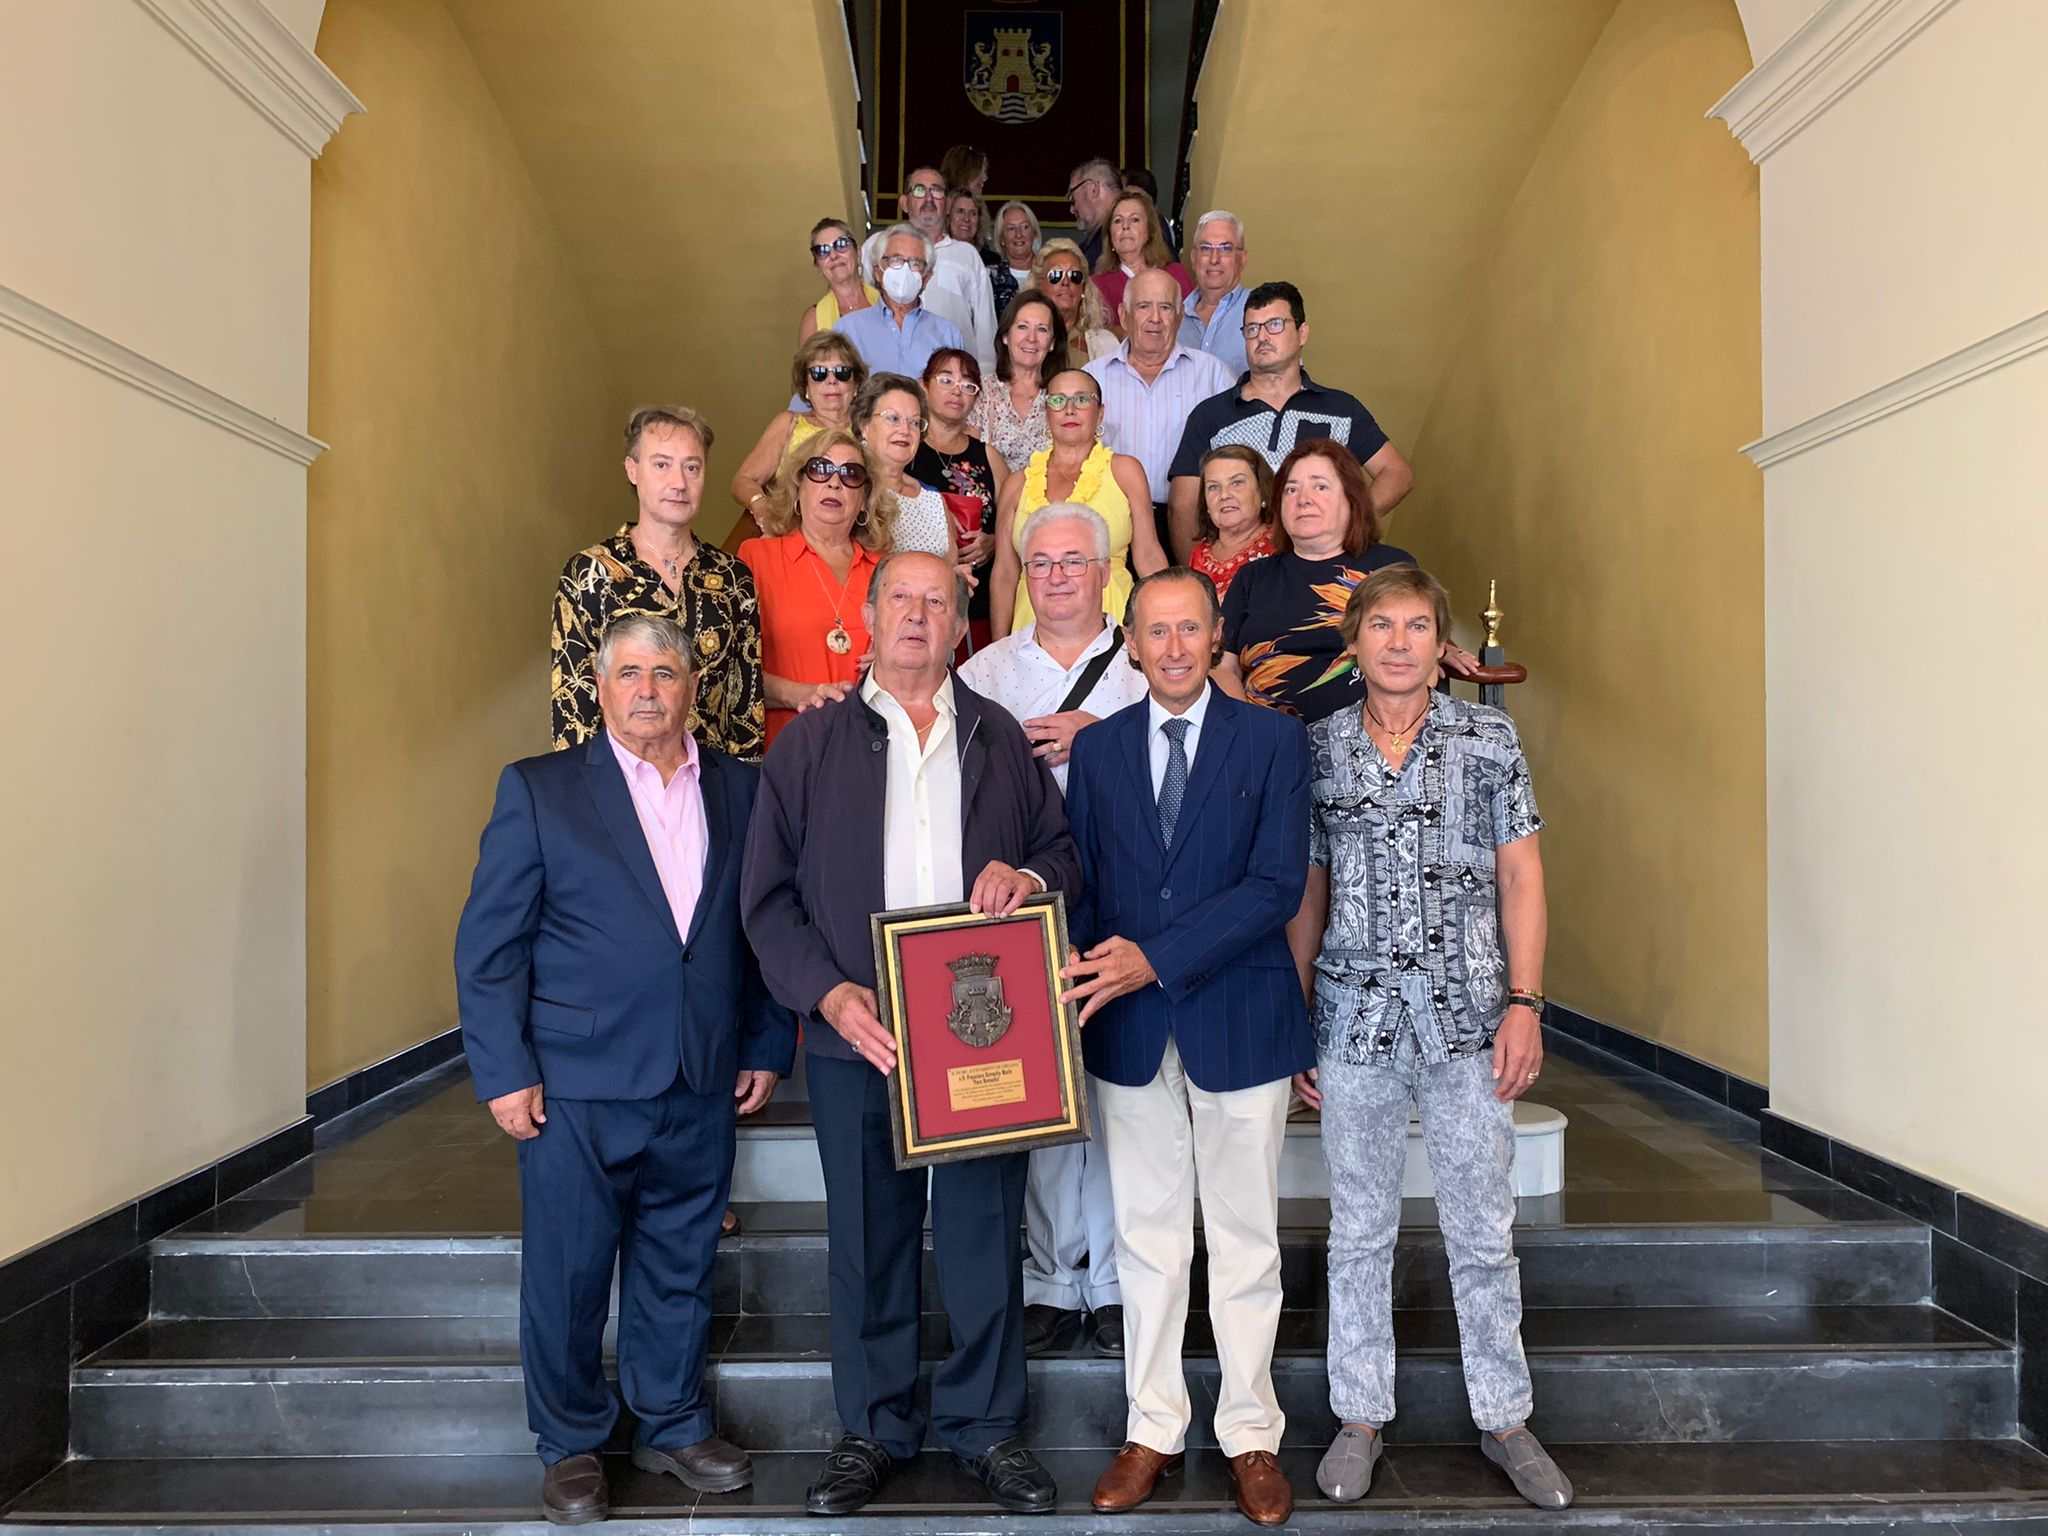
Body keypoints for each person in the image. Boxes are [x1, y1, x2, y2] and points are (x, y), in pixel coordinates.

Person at [741, 550, 1081, 1517]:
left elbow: (1060, 854)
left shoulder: (999, 738)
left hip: (981, 1035)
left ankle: (984, 1426)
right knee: (868, 1239)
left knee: (981, 1234)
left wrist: (1029, 879)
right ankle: (875, 1427)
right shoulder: (808, 749)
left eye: (939, 600)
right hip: (861, 1036)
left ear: (960, 620)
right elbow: (765, 903)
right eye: (902, 598)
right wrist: (828, 996)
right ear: (870, 612)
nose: (919, 616)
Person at [457, 613, 796, 1525]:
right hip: (575, 1082)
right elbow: (490, 946)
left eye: (666, 672)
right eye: (630, 673)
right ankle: (569, 1442)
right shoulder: (541, 790)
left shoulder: (741, 789)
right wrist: (502, 1069)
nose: (649, 689)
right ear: (600, 688)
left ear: (692, 686)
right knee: (567, 1272)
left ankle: (673, 1420)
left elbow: (759, 930)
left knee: (679, 1261)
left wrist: (766, 1042)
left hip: (699, 1074)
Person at [1290, 566, 1571, 1512]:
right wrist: (1298, 1016)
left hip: (1470, 1023)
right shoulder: (1320, 748)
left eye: (1417, 626)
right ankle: (1360, 1416)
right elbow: (1308, 893)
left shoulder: (1487, 738)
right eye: (1382, 625)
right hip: (1354, 1018)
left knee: (1482, 1231)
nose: (1400, 643)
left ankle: (1504, 1416)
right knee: (1359, 1229)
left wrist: (1527, 1001)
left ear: (1439, 643)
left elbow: (1522, 875)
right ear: (1355, 642)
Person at [1061, 567, 1312, 1529]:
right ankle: (1153, 1427)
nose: (1171, 648)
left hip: (1239, 1019)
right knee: (1148, 1241)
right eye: (1153, 632)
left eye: (1188, 630)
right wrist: (1077, 971)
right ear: (1131, 643)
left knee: (1245, 1240)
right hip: (1128, 1033)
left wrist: (1150, 962)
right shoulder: (1101, 751)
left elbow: (1274, 888)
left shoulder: (1274, 741)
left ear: (1216, 639)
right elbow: (1085, 886)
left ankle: (1252, 1434)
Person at [958, 503, 1148, 1359]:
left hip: (1130, 904)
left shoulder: (1144, 666)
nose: (1059, 576)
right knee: (1035, 1097)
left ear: (1106, 570)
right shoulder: (989, 671)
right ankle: (1046, 1278)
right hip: (1025, 907)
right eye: (1042, 563)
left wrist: (1099, 736)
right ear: (1023, 573)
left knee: (1114, 1099)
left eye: (1075, 561)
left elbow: (1183, 755)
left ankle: (1109, 1283)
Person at [552, 406, 764, 761]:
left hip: (707, 790)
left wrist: (745, 800)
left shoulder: (733, 578)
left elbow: (747, 710)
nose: (679, 483)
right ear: (632, 470)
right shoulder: (590, 574)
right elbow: (573, 707)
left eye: (692, 467)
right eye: (662, 464)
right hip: (618, 789)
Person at [1165, 281, 1414, 560]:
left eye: (1275, 325)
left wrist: (1348, 521)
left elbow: (1397, 473)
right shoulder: (1210, 415)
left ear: (1302, 332)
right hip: (1237, 578)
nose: (1262, 337)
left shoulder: (1341, 408)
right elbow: (1183, 506)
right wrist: (1202, 581)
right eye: (1252, 329)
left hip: (1323, 568)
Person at [1215, 440, 1415, 724]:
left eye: (1319, 486)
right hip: (1265, 740)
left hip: (1365, 738)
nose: (1303, 499)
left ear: (1351, 497)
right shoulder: (1252, 577)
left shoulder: (1390, 568)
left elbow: (1417, 645)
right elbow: (1224, 668)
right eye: (1291, 489)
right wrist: (1249, 731)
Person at [738, 429, 892, 747]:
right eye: (820, 470)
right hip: (787, 747)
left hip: (870, 748)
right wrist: (800, 694)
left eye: (851, 474)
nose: (834, 482)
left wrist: (892, 657)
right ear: (798, 489)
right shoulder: (756, 558)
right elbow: (733, 673)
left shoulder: (886, 570)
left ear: (864, 500)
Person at [991, 369, 1161, 638]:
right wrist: (997, 647)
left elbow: (1148, 556)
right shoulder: (1017, 483)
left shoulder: (1125, 471)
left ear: (1100, 412)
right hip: (1031, 623)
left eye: (1082, 399)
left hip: (1110, 616)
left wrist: (1162, 627)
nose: (1069, 410)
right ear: (1046, 413)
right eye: (1058, 401)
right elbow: (1004, 573)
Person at [1086, 268, 1233, 556]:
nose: (1155, 318)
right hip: (1113, 528)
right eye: (1143, 306)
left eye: (1165, 307)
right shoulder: (1093, 378)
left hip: (1195, 525)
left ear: (1179, 316)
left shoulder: (1212, 374)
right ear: (1124, 314)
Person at [912, 349, 1008, 644]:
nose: (957, 391)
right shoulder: (906, 449)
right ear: (923, 385)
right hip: (917, 597)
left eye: (968, 385)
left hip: (977, 601)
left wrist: (992, 542)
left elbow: (1011, 525)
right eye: (946, 379)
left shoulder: (988, 456)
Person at [730, 332, 868, 518]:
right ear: (806, 386)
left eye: (842, 372)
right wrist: (761, 506)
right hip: (790, 528)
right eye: (819, 373)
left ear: (856, 384)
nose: (831, 380)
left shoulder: (871, 429)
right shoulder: (788, 423)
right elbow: (743, 480)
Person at [903, 162, 998, 375]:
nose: (928, 199)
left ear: (946, 205)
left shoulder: (967, 255)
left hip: (957, 380)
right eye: (919, 190)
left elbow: (985, 324)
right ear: (904, 203)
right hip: (900, 376)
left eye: (936, 191)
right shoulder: (879, 247)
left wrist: (987, 376)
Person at [836, 224, 966, 380]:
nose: (904, 270)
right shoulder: (847, 330)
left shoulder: (948, 334)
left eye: (915, 263)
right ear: (878, 272)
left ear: (926, 277)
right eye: (895, 260)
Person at [854, 372, 955, 559]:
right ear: (864, 425)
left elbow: (952, 572)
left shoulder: (934, 500)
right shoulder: (848, 488)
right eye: (893, 418)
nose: (905, 430)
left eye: (915, 422)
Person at [972, 289, 1063, 469]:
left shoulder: (1062, 396)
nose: (1031, 338)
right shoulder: (980, 391)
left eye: (1042, 329)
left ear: (1052, 342)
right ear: (1006, 336)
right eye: (1022, 327)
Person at [1189, 444, 1277, 603]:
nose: (1224, 495)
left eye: (1236, 483)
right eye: (1213, 487)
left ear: (1262, 490)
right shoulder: (1199, 555)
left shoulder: (1280, 548)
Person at [1091, 187, 1193, 322]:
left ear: (1150, 230)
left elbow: (1192, 329)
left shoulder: (1177, 274)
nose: (1125, 226)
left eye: (1134, 220)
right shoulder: (1096, 287)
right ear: (1109, 235)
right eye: (1117, 221)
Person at [1179, 209, 1251, 377]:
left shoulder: (1260, 313)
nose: (1214, 259)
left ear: (1242, 258)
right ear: (1194, 257)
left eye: (1225, 248)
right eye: (1205, 248)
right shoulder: (1173, 317)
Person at [1033, 238, 1120, 367]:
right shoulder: (1025, 338)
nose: (1066, 282)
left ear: (1083, 288)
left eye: (1075, 275)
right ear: (1040, 286)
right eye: (1056, 275)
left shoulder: (1104, 342)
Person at [796, 217, 876, 343]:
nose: (833, 256)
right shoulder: (813, 320)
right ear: (818, 265)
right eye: (823, 251)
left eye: (841, 244)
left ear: (859, 253)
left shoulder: (886, 303)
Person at [956, 191, 1018, 314]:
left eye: (973, 213)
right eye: (960, 211)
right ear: (948, 215)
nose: (966, 219)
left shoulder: (993, 261)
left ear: (979, 220)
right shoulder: (936, 255)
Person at [1066, 156, 1122, 270]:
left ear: (1093, 189)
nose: (1071, 209)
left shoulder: (1132, 231)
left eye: (1072, 198)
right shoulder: (1094, 241)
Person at [995, 200, 1042, 302]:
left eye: (1025, 227)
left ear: (1034, 234)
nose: (1019, 235)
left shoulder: (1048, 273)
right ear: (1002, 239)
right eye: (1011, 229)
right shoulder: (991, 278)